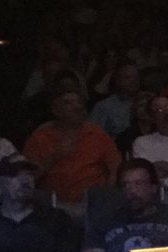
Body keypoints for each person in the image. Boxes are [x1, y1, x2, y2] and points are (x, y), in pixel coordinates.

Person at [23, 85, 122, 221]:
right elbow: (26, 179)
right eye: (68, 103)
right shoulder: (40, 137)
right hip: (54, 207)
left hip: (92, 206)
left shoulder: (97, 133)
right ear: (55, 110)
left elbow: (116, 168)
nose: (77, 107)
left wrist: (106, 196)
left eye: (79, 102)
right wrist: (52, 158)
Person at [80, 159, 168, 252]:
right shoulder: (103, 223)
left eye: (138, 183)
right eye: (126, 185)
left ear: (153, 187)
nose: (132, 190)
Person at [89, 62, 140, 139]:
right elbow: (92, 135)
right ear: (118, 80)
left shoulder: (146, 103)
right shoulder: (103, 107)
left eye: (136, 78)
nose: (133, 81)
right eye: (128, 77)